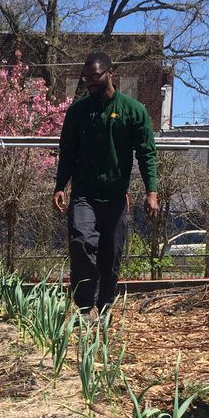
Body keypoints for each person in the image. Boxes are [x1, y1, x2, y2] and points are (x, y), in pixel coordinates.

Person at [53, 51, 158, 313]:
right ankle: (86, 306)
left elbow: (146, 153)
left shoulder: (133, 111)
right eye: (86, 77)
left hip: (115, 196)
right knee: (81, 242)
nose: (89, 82)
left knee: (110, 254)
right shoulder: (78, 112)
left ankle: (105, 304)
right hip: (84, 193)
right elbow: (67, 151)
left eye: (95, 76)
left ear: (111, 73)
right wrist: (60, 185)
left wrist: (151, 191)